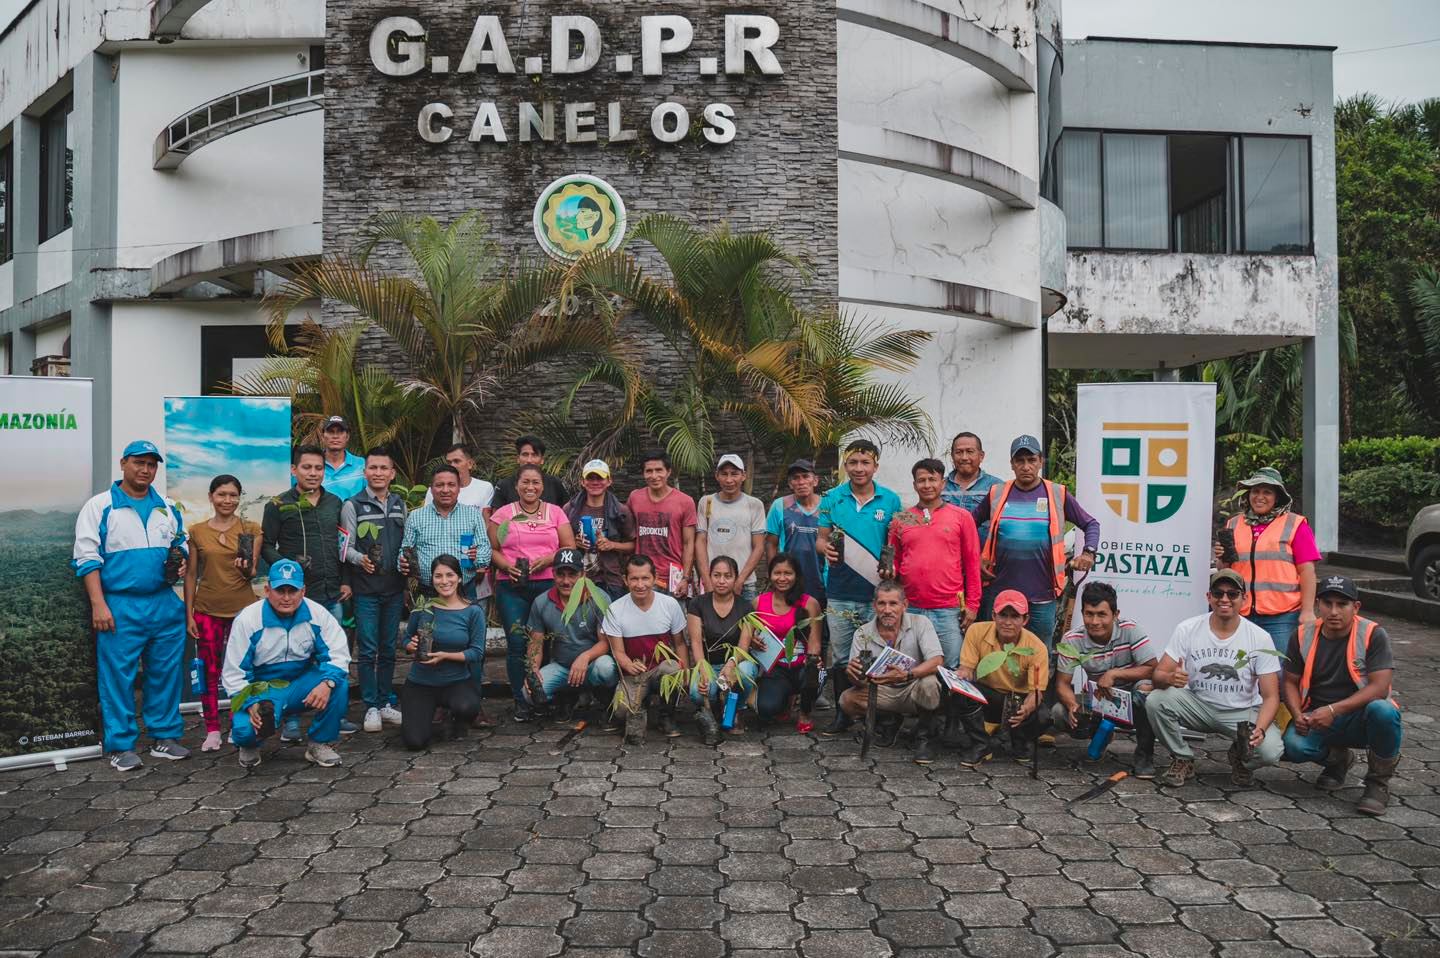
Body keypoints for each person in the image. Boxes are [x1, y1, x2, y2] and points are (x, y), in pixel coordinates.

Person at [73, 440, 192, 771]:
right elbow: (86, 558)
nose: (146, 470)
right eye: (139, 462)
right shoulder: (100, 506)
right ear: (123, 463)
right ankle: (120, 745)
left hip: (163, 602)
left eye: (152, 465)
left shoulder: (167, 506)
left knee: (167, 673)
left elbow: (180, 541)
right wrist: (99, 604)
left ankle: (164, 738)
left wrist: (180, 561)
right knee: (118, 676)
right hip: (120, 603)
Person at [1145, 569, 1285, 788]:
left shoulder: (1259, 637)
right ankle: (1182, 757)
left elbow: (1271, 696)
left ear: (1244, 598)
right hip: (1199, 705)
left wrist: (1261, 729)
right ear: (1208, 597)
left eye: (1232, 594)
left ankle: (1241, 755)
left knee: (1271, 751)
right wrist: (1171, 678)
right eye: (1218, 593)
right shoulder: (1188, 629)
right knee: (1156, 700)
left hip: (1241, 712)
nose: (1225, 599)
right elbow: (1158, 675)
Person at [1281, 574, 1401, 815]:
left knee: (1384, 710)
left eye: (1342, 604)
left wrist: (1334, 710)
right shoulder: (1302, 634)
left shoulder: (1373, 634)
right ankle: (1338, 761)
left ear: (1355, 607)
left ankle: (1377, 784)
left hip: (1361, 716)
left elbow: (1379, 686)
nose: (1334, 611)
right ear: (1318, 605)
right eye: (1327, 603)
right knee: (1293, 746)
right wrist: (1297, 714)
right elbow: (1290, 682)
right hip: (1317, 715)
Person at [971, 434, 1100, 647]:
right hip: (1001, 591)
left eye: (1031, 460)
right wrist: (975, 558)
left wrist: (1089, 552)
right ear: (1012, 464)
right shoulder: (997, 493)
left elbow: (1091, 524)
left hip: (1042, 592)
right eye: (1020, 461)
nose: (1026, 466)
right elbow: (967, 524)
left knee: (1039, 652)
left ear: (1040, 461)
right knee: (995, 652)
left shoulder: (1057, 493)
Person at [222, 559, 350, 768]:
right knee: (244, 731)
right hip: (263, 687)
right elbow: (234, 672)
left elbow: (338, 654)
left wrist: (327, 683)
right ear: (267, 589)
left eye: (293, 591)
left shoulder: (317, 614)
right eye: (280, 591)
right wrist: (250, 702)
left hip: (301, 681)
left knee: (338, 684)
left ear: (303, 591)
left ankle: (319, 743)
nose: (287, 598)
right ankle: (249, 745)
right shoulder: (248, 619)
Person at [264, 445, 351, 739]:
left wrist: (346, 579)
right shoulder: (278, 505)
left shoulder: (335, 502)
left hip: (331, 593)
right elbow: (265, 546)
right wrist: (287, 565)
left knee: (332, 656)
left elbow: (343, 545)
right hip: (295, 597)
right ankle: (290, 720)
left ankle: (332, 715)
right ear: (293, 470)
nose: (313, 473)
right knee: (295, 657)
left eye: (318, 468)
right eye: (307, 468)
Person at [818, 440, 902, 735]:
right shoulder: (831, 498)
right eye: (852, 462)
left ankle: (879, 713)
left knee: (876, 654)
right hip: (839, 591)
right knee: (842, 655)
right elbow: (820, 538)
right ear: (845, 466)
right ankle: (843, 712)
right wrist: (825, 549)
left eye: (865, 463)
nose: (858, 468)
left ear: (875, 466)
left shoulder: (891, 501)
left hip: (876, 594)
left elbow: (894, 545)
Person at [401, 465, 492, 724]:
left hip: (466, 591)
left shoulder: (472, 517)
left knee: (471, 647)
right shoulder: (417, 517)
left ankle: (472, 703)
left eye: (451, 484)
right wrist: (404, 564)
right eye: (439, 485)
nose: (445, 489)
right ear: (431, 488)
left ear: (459, 487)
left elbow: (485, 552)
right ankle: (438, 702)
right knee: (432, 645)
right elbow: (404, 553)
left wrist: (478, 556)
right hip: (429, 593)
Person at [489, 463, 577, 721]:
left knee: (550, 641)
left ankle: (546, 697)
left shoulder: (556, 512)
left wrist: (550, 560)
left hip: (549, 586)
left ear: (543, 486)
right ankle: (521, 700)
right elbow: (491, 548)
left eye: (535, 483)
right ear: (516, 486)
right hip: (511, 586)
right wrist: (507, 566)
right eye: (525, 482)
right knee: (518, 643)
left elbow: (569, 546)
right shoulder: (503, 514)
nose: (530, 487)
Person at [184, 474, 263, 752]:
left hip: (243, 611)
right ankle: (213, 729)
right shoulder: (197, 531)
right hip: (206, 609)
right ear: (211, 497)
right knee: (210, 671)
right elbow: (192, 574)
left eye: (233, 495)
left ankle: (238, 723)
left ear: (239, 498)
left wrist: (245, 568)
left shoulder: (251, 528)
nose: (227, 500)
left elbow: (252, 572)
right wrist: (189, 614)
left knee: (241, 670)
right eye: (221, 494)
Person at [1051, 581, 1157, 779]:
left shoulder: (1130, 629)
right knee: (1059, 712)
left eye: (1101, 614)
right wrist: (1073, 705)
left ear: (1115, 615)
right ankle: (1101, 733)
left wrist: (1115, 674)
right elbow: (1062, 684)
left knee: (1146, 692)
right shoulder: (1072, 639)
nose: (1095, 621)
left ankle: (1144, 756)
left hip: (1131, 699)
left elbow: (1153, 669)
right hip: (1098, 700)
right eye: (1089, 614)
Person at [887, 457, 982, 668]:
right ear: (914, 485)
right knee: (909, 665)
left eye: (932, 479)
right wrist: (889, 571)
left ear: (943, 483)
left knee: (951, 666)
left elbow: (972, 563)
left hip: (948, 609)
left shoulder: (961, 517)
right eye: (921, 480)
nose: (927, 485)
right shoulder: (901, 519)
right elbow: (894, 559)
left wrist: (973, 605)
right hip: (911, 607)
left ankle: (949, 703)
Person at [838, 581, 945, 765]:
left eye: (893, 603)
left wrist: (908, 674)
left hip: (913, 688)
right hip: (882, 691)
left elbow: (937, 661)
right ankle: (889, 721)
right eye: (882, 603)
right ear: (874, 606)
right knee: (847, 700)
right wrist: (852, 674)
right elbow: (859, 682)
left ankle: (925, 737)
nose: (887, 610)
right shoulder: (863, 633)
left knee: (929, 684)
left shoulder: (921, 623)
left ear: (904, 605)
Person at [340, 448, 408, 733]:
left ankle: (384, 702)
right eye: (373, 468)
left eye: (384, 468)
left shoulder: (399, 503)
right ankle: (369, 706)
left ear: (392, 473)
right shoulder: (352, 505)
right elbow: (344, 548)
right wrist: (360, 560)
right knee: (367, 649)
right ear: (364, 472)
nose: (378, 473)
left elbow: (406, 541)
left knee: (389, 648)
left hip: (394, 589)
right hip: (366, 589)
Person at [1217, 467, 1321, 651]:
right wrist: (1221, 557)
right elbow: (1226, 570)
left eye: (1267, 492)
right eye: (1255, 491)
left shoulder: (1295, 524)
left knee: (1279, 673)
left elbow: (1307, 571)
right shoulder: (1233, 524)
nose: (1260, 496)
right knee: (1242, 671)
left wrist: (1307, 611)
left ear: (1277, 497)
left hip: (1281, 617)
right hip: (1241, 613)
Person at [602, 555, 692, 745]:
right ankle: (639, 704)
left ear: (654, 578)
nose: (640, 584)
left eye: (645, 578)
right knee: (622, 711)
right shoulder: (616, 609)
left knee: (673, 670)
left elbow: (681, 643)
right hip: (634, 673)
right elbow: (617, 651)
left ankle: (666, 715)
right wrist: (627, 663)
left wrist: (685, 673)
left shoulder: (669, 604)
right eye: (634, 579)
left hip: (661, 667)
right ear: (625, 580)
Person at [400, 555, 487, 749]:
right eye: (438, 576)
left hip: (456, 681)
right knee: (414, 742)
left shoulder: (473, 611)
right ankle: (426, 716)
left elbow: (477, 653)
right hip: (421, 682)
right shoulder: (423, 607)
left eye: (450, 575)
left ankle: (456, 718)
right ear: (432, 579)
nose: (444, 581)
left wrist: (445, 656)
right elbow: (406, 638)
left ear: (459, 578)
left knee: (467, 706)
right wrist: (410, 645)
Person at [954, 590, 1050, 767]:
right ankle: (981, 745)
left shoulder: (1036, 647)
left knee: (1042, 715)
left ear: (1025, 620)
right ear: (993, 615)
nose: (1007, 622)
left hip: (1018, 700)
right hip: (989, 697)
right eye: (1002, 615)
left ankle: (1019, 741)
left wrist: (1026, 709)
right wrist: (961, 676)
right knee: (959, 692)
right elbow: (967, 668)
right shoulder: (976, 631)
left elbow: (1036, 692)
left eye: (1015, 616)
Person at [523, 548, 620, 717]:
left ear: (582, 575)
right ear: (553, 574)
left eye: (572, 574)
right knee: (529, 693)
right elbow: (535, 643)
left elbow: (606, 642)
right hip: (562, 666)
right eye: (561, 574)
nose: (566, 581)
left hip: (592, 664)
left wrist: (585, 657)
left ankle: (604, 699)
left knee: (606, 668)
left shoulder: (598, 597)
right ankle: (566, 696)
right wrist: (533, 671)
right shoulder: (542, 602)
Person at [742, 553, 823, 733]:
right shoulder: (759, 603)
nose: (782, 578)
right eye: (777, 573)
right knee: (766, 709)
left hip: (802, 664)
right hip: (775, 668)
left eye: (788, 573)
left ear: (797, 575)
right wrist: (753, 643)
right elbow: (747, 638)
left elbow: (815, 640)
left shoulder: (809, 603)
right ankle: (786, 700)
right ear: (770, 575)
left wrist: (812, 662)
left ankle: (804, 712)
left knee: (813, 676)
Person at [689, 556, 758, 735]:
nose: (721, 581)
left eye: (727, 576)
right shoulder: (698, 604)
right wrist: (702, 669)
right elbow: (695, 642)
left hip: (734, 665)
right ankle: (715, 705)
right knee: (697, 693)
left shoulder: (746, 607)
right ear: (709, 576)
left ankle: (737, 709)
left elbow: (743, 647)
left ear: (735, 578)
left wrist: (731, 664)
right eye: (717, 575)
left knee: (747, 671)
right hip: (709, 664)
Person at [696, 455, 768, 602]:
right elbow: (700, 541)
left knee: (746, 624)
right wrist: (707, 580)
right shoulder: (706, 502)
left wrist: (740, 580)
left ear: (743, 476)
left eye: (734, 474)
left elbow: (759, 547)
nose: (729, 480)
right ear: (717, 476)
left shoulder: (754, 504)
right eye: (724, 474)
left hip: (745, 584)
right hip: (714, 582)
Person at [626, 451, 697, 596]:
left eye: (659, 470)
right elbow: (628, 533)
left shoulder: (685, 501)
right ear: (643, 473)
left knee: (674, 617)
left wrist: (686, 578)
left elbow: (689, 543)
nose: (654, 476)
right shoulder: (635, 498)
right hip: (642, 575)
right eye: (649, 471)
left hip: (673, 577)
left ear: (668, 472)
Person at [564, 459, 636, 599]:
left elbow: (634, 545)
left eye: (600, 478)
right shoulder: (570, 509)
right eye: (590, 478)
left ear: (609, 481)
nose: (595, 482)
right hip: (577, 578)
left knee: (611, 619)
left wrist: (612, 545)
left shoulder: (620, 511)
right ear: (583, 482)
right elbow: (557, 542)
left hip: (611, 579)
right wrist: (574, 542)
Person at [764, 459, 826, 610]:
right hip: (789, 579)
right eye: (796, 478)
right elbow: (771, 543)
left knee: (818, 625)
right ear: (790, 484)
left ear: (815, 480)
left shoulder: (827, 507)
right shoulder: (780, 506)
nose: (801, 482)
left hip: (821, 578)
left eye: (806, 476)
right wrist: (775, 575)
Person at [942, 432, 1003, 543]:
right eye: (959, 452)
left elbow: (1002, 527)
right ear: (952, 456)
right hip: (947, 556)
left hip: (982, 557)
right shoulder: (940, 486)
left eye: (970, 452)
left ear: (981, 456)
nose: (964, 457)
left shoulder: (996, 487)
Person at [490, 435, 569, 509]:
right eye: (525, 455)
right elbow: (496, 520)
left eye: (534, 455)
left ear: (542, 460)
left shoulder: (555, 484)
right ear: (518, 458)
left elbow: (566, 514)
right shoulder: (504, 485)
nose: (529, 460)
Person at [425, 443, 496, 513]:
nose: (452, 466)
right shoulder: (435, 490)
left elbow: (486, 519)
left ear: (470, 464)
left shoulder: (484, 488)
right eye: (449, 462)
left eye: (457, 461)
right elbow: (427, 518)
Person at [317, 415, 367, 501]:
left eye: (340, 432)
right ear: (322, 437)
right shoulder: (313, 466)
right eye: (330, 432)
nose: (335, 436)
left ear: (347, 437)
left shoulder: (362, 464)